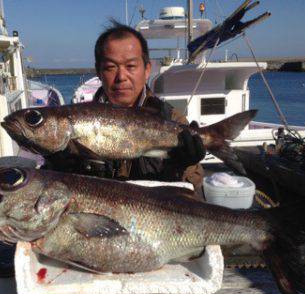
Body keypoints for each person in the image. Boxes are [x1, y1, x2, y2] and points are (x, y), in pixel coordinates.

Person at [45, 22, 205, 196]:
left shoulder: (172, 119)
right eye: (110, 67)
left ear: (147, 70)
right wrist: (56, 168)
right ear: (98, 72)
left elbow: (191, 192)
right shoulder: (76, 123)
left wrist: (186, 165)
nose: (121, 77)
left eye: (130, 66)